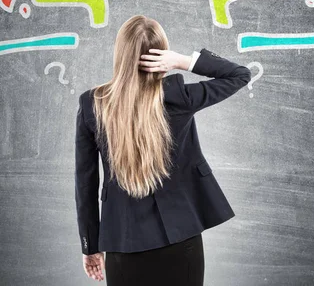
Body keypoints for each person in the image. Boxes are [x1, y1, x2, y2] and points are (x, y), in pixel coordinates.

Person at [74, 15, 252, 284]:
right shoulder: (178, 96)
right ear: (162, 55)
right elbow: (240, 74)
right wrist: (183, 60)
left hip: (123, 241)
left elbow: (85, 183)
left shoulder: (93, 104)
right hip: (181, 238)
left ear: (121, 54)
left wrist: (90, 245)